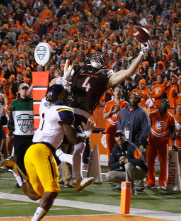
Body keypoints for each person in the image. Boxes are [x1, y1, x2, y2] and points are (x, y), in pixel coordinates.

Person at [0, 84, 95, 221]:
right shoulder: (64, 111)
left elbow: (48, 95)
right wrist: (88, 132)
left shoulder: (44, 106)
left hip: (31, 151)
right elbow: (74, 139)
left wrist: (62, 80)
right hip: (43, 151)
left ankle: (15, 169)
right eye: (65, 95)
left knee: (36, 195)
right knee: (53, 190)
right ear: (61, 97)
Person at [61, 42, 150, 192]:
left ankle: (74, 178)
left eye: (99, 57)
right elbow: (60, 84)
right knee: (62, 145)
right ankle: (64, 176)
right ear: (87, 60)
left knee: (81, 147)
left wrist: (142, 53)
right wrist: (62, 78)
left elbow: (127, 73)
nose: (96, 58)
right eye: (93, 57)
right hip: (67, 111)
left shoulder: (105, 75)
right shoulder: (76, 69)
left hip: (82, 115)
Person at [146, 98, 178, 189]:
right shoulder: (152, 115)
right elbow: (146, 128)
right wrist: (145, 139)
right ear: (159, 104)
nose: (165, 104)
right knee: (150, 163)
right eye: (164, 102)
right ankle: (150, 182)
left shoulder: (170, 117)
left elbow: (173, 131)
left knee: (164, 164)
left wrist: (174, 143)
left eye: (167, 103)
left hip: (163, 143)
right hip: (152, 142)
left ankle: (162, 183)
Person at [106, 130, 148, 195]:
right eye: (117, 136)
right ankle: (128, 186)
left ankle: (131, 189)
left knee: (128, 165)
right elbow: (111, 166)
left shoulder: (132, 147)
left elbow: (141, 161)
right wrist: (119, 162)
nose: (119, 138)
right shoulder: (115, 149)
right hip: (127, 173)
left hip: (140, 173)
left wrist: (128, 160)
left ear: (125, 137)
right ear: (115, 139)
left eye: (121, 136)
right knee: (109, 176)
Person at [7, 83, 34, 179]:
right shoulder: (14, 103)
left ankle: (32, 178)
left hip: (31, 135)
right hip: (19, 135)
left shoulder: (34, 102)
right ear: (19, 91)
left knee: (32, 159)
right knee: (19, 158)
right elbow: (11, 119)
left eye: (26, 89)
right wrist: (12, 131)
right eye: (23, 89)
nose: (25, 91)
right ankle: (22, 179)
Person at [103, 85, 128, 165]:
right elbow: (104, 116)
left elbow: (128, 117)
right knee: (110, 151)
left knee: (121, 151)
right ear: (113, 92)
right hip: (110, 131)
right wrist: (110, 111)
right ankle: (111, 169)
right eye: (116, 90)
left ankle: (120, 169)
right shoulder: (109, 103)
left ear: (122, 93)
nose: (118, 92)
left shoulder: (125, 104)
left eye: (119, 91)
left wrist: (121, 111)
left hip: (120, 132)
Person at [168, 103, 181, 184]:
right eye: (178, 107)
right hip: (170, 142)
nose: (179, 109)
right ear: (175, 109)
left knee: (178, 160)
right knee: (169, 161)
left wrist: (179, 133)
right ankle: (169, 178)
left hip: (179, 141)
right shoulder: (170, 117)